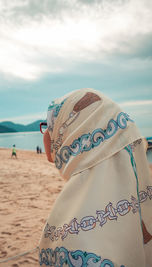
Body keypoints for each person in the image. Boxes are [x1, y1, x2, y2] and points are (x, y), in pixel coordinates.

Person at [39, 88, 152, 267]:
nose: (46, 135)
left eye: (49, 126)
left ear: (74, 136)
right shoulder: (142, 205)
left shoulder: (73, 236)